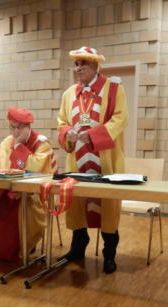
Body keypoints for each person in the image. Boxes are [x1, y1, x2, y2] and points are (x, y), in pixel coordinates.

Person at [56, 46, 129, 274]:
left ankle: (109, 254)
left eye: (83, 64)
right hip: (77, 161)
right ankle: (78, 247)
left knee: (108, 207)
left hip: (104, 160)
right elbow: (61, 120)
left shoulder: (114, 89)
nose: (78, 69)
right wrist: (67, 133)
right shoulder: (69, 93)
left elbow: (121, 118)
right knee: (76, 204)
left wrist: (94, 135)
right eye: (76, 64)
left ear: (96, 66)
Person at [0, 107, 57, 261]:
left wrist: (19, 146)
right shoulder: (7, 141)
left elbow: (35, 169)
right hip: (7, 190)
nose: (15, 131)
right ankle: (0, 247)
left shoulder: (41, 143)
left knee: (24, 211)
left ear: (28, 127)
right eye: (12, 127)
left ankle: (26, 245)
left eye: (19, 127)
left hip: (33, 194)